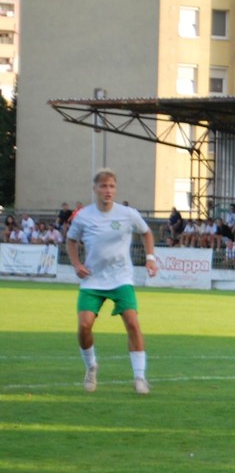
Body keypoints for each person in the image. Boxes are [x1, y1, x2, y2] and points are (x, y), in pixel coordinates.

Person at [65, 169, 159, 395]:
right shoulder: (84, 216)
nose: (108, 190)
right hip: (92, 280)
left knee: (133, 323)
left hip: (121, 278)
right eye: (104, 186)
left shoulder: (127, 213)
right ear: (95, 189)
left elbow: (146, 233)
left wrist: (150, 258)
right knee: (84, 326)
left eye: (112, 186)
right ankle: (91, 367)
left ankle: (139, 377)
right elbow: (70, 240)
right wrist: (77, 265)